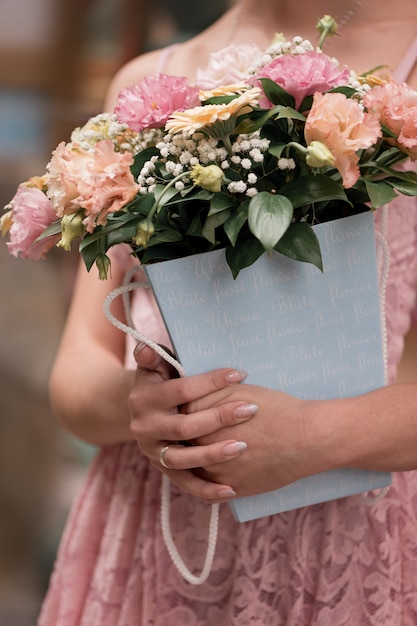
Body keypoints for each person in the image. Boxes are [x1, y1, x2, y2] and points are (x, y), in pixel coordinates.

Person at [38, 0, 417, 624]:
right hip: (149, 533)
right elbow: (75, 378)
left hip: (341, 536)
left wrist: (317, 436)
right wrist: (144, 410)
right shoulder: (144, 84)